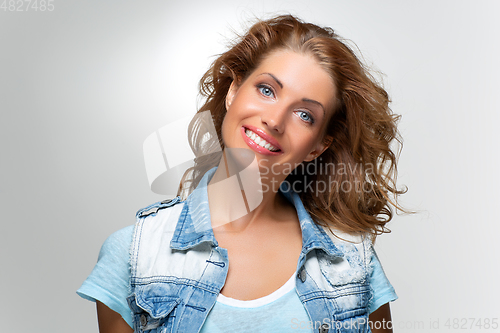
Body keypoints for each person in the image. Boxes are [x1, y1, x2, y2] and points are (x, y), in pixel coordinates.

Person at [78, 15, 406, 333]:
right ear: (234, 91)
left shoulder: (351, 260)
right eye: (266, 90)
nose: (275, 120)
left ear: (317, 147)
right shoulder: (135, 254)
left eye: (304, 114)